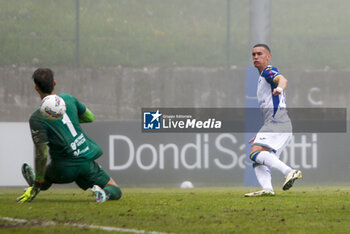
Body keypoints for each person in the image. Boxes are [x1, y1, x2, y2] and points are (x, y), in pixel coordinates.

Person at [16, 68, 122, 203]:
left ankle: (36, 182)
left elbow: (41, 154)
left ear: (36, 88)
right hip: (85, 161)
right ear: (54, 83)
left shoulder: (36, 118)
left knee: (45, 179)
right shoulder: (68, 99)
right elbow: (90, 117)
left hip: (62, 170)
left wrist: (36, 183)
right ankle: (103, 194)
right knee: (115, 189)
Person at [244, 44, 302, 197]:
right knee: (258, 158)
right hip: (278, 124)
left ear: (268, 57)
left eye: (259, 54)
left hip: (278, 123)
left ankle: (290, 172)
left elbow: (282, 79)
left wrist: (280, 88)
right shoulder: (262, 76)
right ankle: (267, 189)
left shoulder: (268, 72)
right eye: (253, 54)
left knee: (255, 153)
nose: (255, 57)